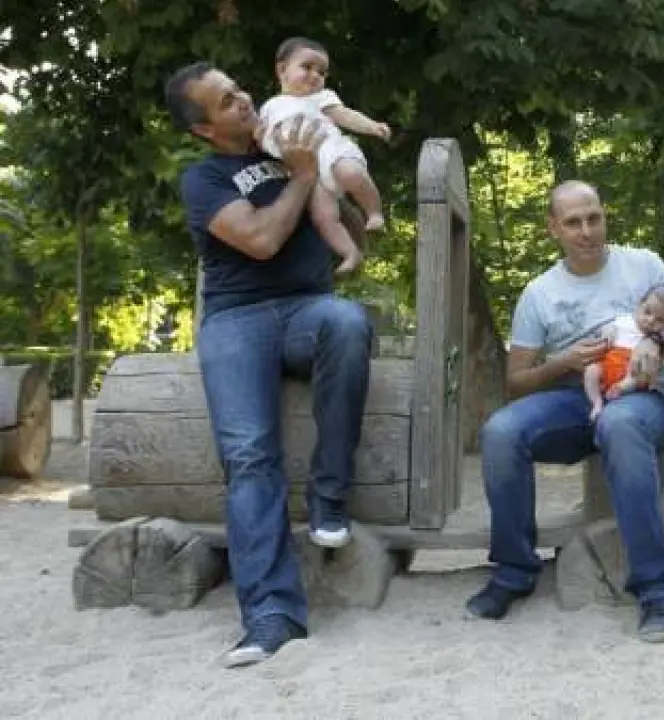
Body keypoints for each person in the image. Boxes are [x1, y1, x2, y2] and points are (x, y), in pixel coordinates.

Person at [165, 61, 373, 667]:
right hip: (237, 319)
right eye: (225, 102)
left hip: (310, 309)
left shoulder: (290, 141)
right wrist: (303, 177)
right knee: (249, 455)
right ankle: (271, 615)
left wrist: (333, 172)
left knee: (349, 322)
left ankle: (330, 498)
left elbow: (351, 228)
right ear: (204, 129)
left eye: (238, 90)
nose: (243, 100)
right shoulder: (203, 178)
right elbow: (259, 239)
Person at [466, 180, 664, 643]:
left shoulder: (645, 265)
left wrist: (658, 351)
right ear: (554, 228)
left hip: (640, 397)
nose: (586, 231)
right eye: (573, 222)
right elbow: (515, 382)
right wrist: (564, 361)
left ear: (604, 216)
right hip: (574, 400)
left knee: (620, 423)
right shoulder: (539, 292)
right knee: (501, 431)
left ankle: (654, 590)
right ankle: (513, 571)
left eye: (594, 218)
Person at [257, 36, 392, 274]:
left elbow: (346, 116)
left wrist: (372, 126)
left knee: (350, 174)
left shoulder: (321, 98)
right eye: (307, 67)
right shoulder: (270, 106)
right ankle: (350, 253)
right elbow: (261, 136)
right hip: (309, 172)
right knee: (324, 216)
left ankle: (373, 212)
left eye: (322, 72)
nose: (315, 75)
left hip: (333, 153)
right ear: (282, 70)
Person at [584, 282, 664, 422]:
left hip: (635, 367)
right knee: (591, 371)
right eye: (648, 312)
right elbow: (608, 328)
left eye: (660, 320)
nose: (651, 320)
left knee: (638, 371)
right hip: (609, 364)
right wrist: (607, 331)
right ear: (640, 304)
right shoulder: (625, 320)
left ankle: (621, 387)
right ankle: (597, 402)